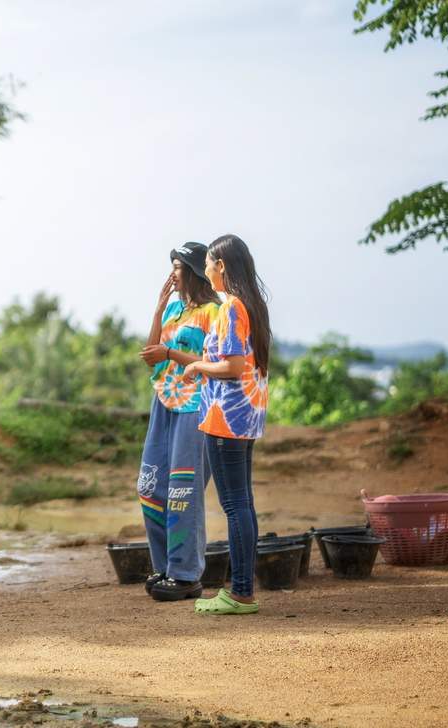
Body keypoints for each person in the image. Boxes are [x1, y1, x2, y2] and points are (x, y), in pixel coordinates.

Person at [181, 234, 271, 615]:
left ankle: (240, 592)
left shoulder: (231, 308)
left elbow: (232, 367)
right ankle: (243, 589)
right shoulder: (251, 305)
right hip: (244, 417)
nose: (204, 271)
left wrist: (197, 365)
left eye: (207, 265)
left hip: (226, 419)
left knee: (234, 505)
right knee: (243, 504)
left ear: (221, 266)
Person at [136, 242, 220, 602]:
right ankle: (165, 567)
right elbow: (148, 355)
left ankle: (186, 576)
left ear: (196, 272)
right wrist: (157, 309)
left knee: (182, 492)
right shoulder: (172, 307)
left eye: (180, 266)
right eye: (172, 265)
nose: (173, 272)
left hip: (196, 405)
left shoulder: (215, 313)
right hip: (164, 401)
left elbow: (214, 362)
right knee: (150, 486)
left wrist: (171, 353)